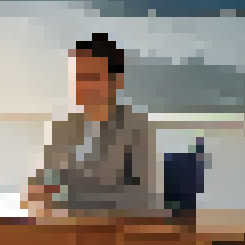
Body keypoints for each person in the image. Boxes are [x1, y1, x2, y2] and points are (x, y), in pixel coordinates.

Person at [25, 32, 162, 217]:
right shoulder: (60, 127)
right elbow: (37, 188)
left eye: (91, 77)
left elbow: (142, 198)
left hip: (114, 235)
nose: (81, 86)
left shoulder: (136, 129)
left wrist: (67, 197)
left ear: (116, 81)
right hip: (61, 231)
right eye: (77, 77)